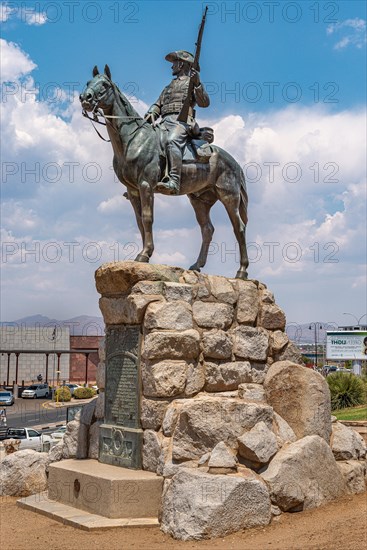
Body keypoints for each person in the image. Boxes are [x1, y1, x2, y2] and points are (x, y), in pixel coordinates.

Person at [145, 50, 210, 195]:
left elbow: (204, 103)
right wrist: (152, 112)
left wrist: (198, 83)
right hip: (164, 121)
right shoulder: (168, 87)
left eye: (174, 63)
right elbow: (158, 104)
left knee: (171, 141)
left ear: (181, 64)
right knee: (146, 141)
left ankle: (174, 180)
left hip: (182, 122)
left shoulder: (191, 83)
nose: (171, 66)